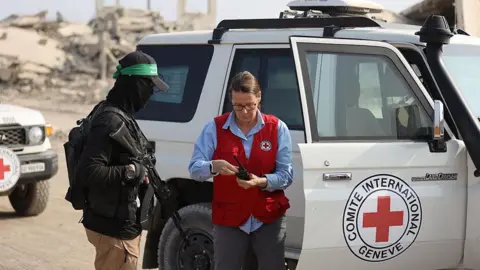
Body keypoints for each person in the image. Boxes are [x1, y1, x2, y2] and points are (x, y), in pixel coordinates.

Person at [188, 71, 294, 270]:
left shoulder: (277, 128)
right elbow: (194, 169)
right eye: (238, 106)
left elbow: (287, 175)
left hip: (268, 217)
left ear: (259, 98)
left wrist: (261, 182)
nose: (244, 112)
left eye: (250, 105)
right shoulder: (214, 128)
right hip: (229, 218)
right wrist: (213, 166)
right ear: (231, 99)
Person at [75, 51, 168, 270]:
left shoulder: (119, 113)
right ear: (134, 84)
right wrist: (133, 171)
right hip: (113, 231)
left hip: (120, 224)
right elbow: (88, 171)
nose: (150, 93)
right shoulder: (109, 120)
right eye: (148, 87)